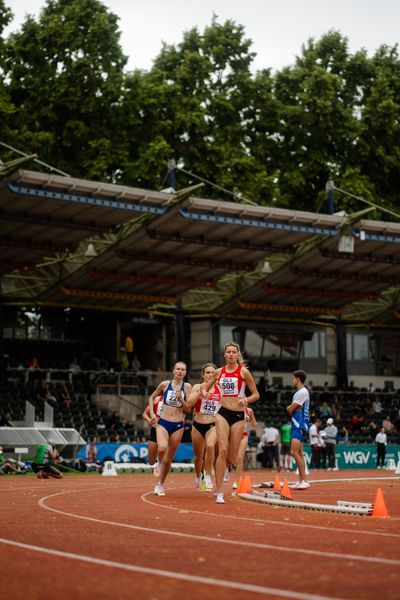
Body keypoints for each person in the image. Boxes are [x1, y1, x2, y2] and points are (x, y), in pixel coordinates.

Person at [203, 342, 259, 504]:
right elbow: (205, 388)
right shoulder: (219, 372)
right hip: (222, 413)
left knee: (232, 458)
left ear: (238, 354)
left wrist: (246, 400)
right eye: (228, 352)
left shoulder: (244, 372)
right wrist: (205, 392)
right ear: (225, 355)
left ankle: (226, 467)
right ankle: (219, 491)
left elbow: (256, 394)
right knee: (222, 450)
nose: (231, 355)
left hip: (238, 415)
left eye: (234, 352)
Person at [148, 361, 192, 496]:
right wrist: (152, 414)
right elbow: (152, 397)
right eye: (177, 369)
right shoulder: (164, 385)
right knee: (161, 448)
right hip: (163, 422)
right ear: (173, 371)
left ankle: (160, 484)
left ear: (185, 373)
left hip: (178, 424)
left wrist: (182, 399)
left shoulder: (188, 387)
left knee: (169, 458)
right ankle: (158, 462)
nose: (179, 371)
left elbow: (188, 409)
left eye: (182, 370)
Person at [187, 363, 221, 492]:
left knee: (210, 446)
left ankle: (208, 476)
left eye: (213, 372)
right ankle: (198, 476)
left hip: (213, 424)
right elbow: (189, 404)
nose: (210, 375)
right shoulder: (197, 387)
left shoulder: (220, 388)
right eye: (207, 372)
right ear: (203, 375)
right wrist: (201, 392)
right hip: (198, 424)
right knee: (198, 456)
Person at [287, 369, 310, 490]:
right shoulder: (302, 392)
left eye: (293, 378)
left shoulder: (301, 392)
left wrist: (289, 408)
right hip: (299, 424)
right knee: (299, 453)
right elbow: (294, 408)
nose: (292, 381)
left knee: (294, 452)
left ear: (297, 379)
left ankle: (305, 480)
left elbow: (291, 410)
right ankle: (302, 480)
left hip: (299, 424)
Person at [233, 405, 257, 489]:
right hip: (232, 436)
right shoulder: (232, 407)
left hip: (243, 435)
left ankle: (237, 481)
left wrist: (250, 420)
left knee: (240, 458)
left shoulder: (249, 410)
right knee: (230, 458)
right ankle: (225, 471)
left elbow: (254, 424)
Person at [142, 395, 163, 476]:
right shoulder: (157, 399)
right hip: (155, 429)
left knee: (163, 450)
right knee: (151, 461)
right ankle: (157, 464)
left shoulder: (175, 402)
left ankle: (160, 464)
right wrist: (150, 420)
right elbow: (144, 414)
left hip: (167, 430)